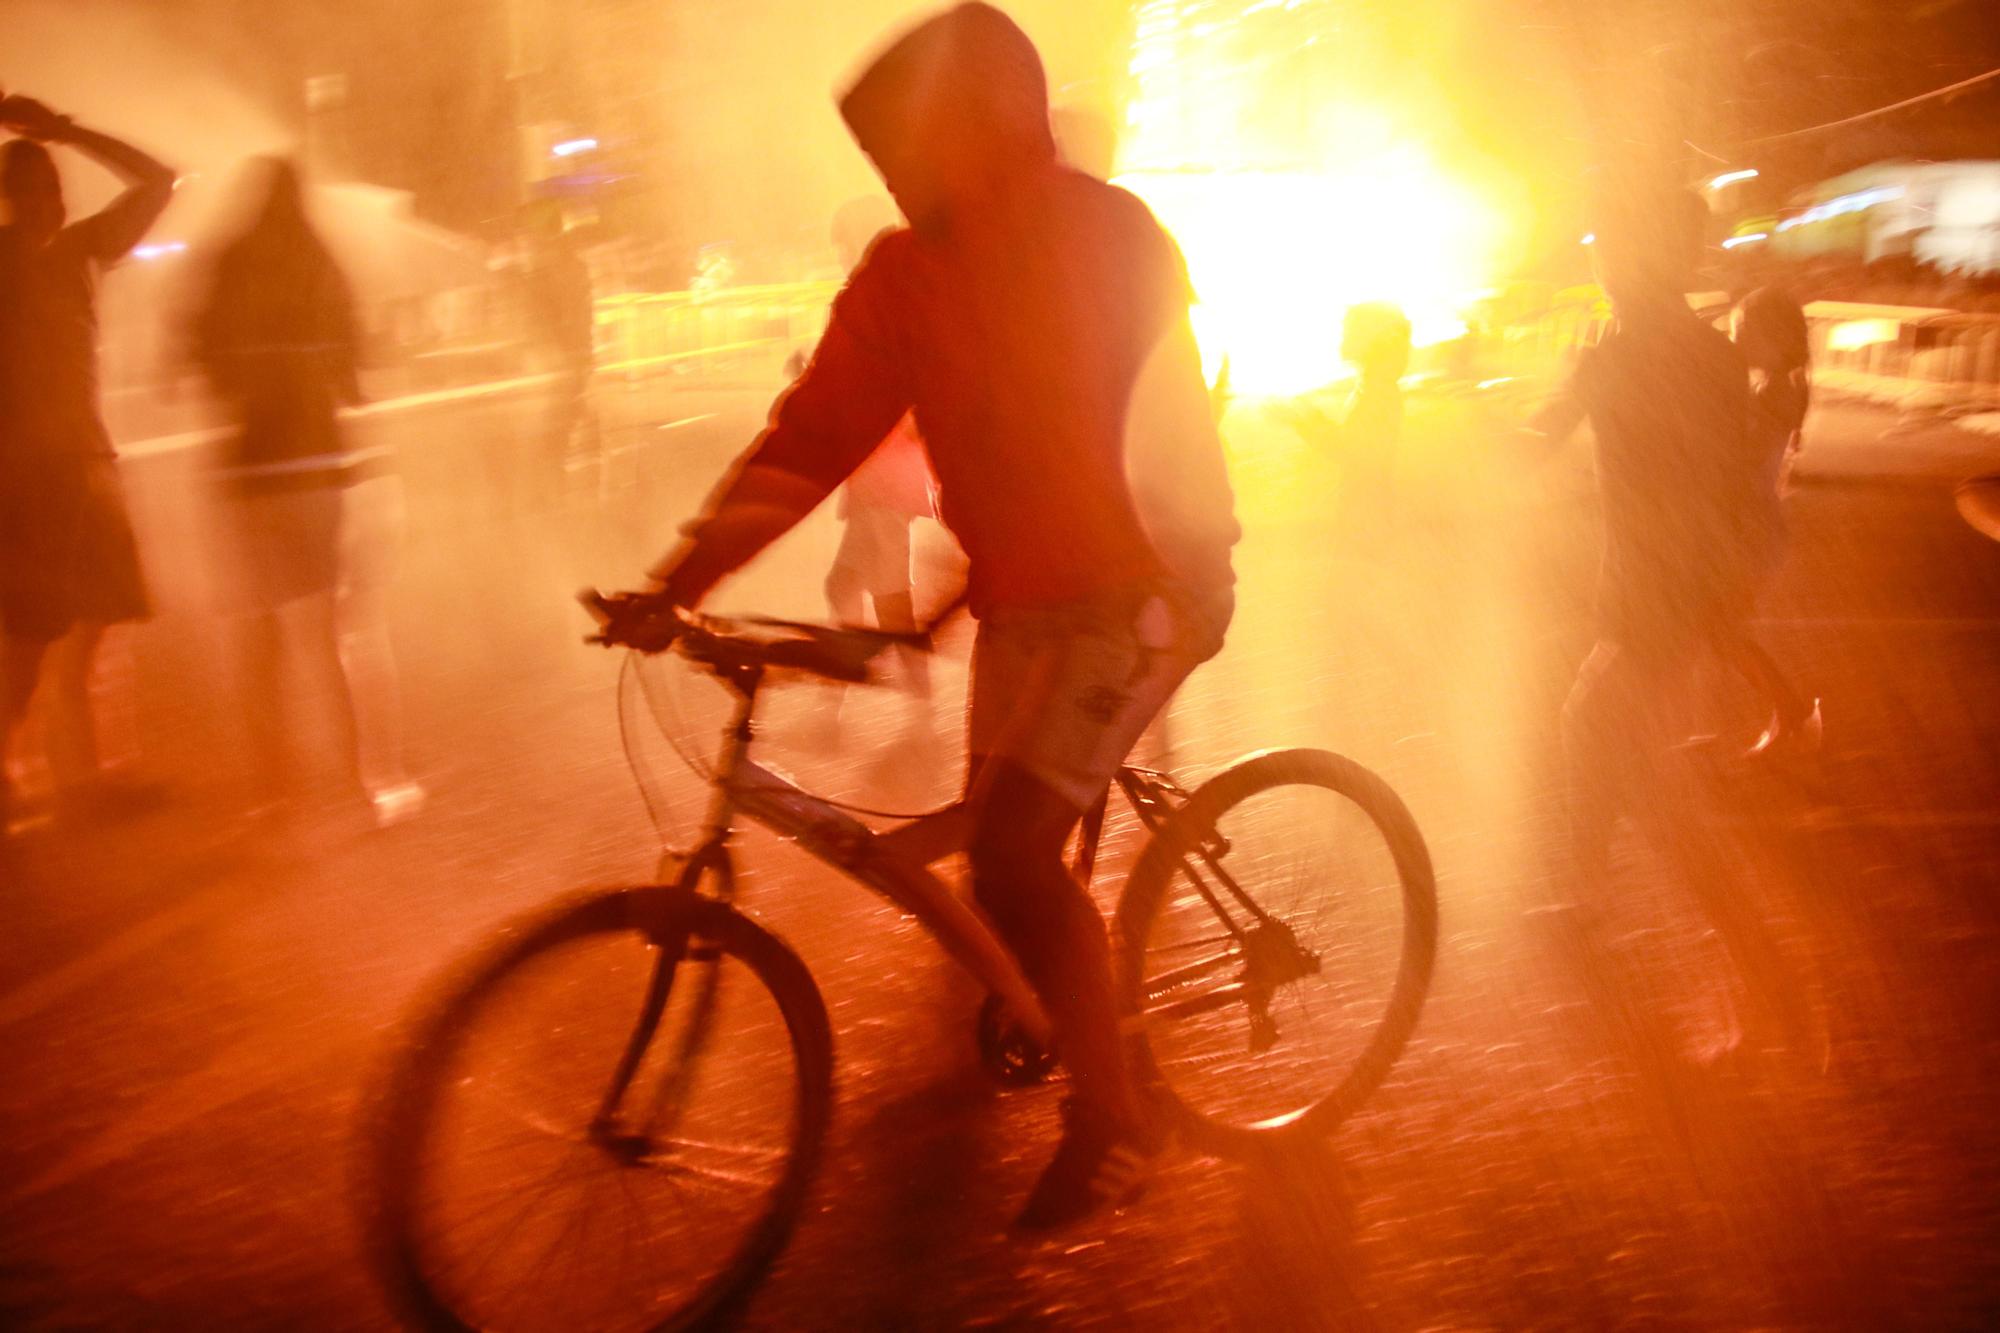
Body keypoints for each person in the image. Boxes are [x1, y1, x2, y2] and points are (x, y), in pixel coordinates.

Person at [628, 3, 1239, 1229]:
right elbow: (808, 441)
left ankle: (1119, 1125)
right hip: (1026, 595)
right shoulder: (902, 277)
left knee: (1010, 853)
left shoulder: (1111, 238)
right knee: (1002, 850)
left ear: (989, 125)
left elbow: (1161, 439)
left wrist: (1162, 576)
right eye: (880, 158)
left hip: (1145, 589)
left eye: (913, 146)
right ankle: (1058, 994)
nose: (896, 177)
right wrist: (680, 579)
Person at [191, 157, 423, 825]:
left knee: (260, 631)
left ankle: (271, 787)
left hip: (247, 471)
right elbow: (353, 374)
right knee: (330, 629)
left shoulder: (228, 261)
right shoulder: (321, 263)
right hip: (316, 467)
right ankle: (370, 778)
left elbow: (200, 359)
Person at [1539, 183, 1753, 887]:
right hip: (1682, 578)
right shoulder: (1715, 356)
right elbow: (1737, 482)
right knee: (1611, 730)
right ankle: (1600, 878)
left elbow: (1538, 439)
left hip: (1651, 585)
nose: (1598, 265)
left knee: (1590, 722)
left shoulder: (1615, 356)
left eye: (1607, 250)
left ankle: (1589, 885)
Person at [0, 93, 174, 833]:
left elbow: (158, 182)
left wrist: (67, 131)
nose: (53, 207)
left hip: (84, 459)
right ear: (11, 201)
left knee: (105, 608)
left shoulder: (79, 254)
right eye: (36, 194)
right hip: (27, 472)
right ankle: (12, 768)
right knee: (34, 631)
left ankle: (88, 769)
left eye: (57, 193)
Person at [1714, 285, 1819, 757]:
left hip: (1749, 529)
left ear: (1769, 337)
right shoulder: (1780, 385)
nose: (1733, 341)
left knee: (1718, 630)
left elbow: (1740, 460)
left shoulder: (1773, 392)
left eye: (1741, 332)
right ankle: (1790, 715)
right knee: (1718, 630)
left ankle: (1793, 716)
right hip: (1755, 526)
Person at [1274, 300, 1412, 541]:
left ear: (1369, 338)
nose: (1342, 336)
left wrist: (1302, 420)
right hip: (1367, 517)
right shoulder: (1373, 385)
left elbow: (1354, 453)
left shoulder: (1378, 390)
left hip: (1366, 522)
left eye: (1348, 329)